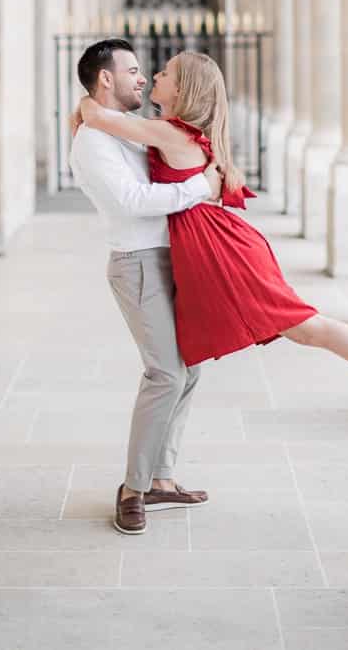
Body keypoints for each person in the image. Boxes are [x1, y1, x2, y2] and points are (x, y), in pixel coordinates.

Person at [74, 50, 348, 450]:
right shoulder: (173, 130)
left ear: (181, 90)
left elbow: (96, 117)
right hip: (221, 243)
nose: (152, 78)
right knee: (304, 327)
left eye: (163, 73)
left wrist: (82, 99)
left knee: (305, 327)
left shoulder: (169, 132)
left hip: (222, 251)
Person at [67, 38, 225, 536]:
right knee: (165, 375)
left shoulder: (127, 131)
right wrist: (201, 187)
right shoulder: (92, 142)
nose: (143, 78)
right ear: (106, 78)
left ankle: (162, 477)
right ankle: (133, 489)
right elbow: (134, 199)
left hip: (170, 259)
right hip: (137, 265)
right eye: (133, 70)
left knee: (190, 369)